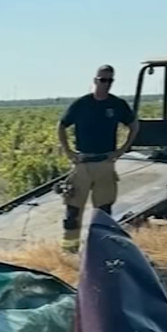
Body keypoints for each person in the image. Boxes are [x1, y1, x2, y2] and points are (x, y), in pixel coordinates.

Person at [56, 64, 140, 251]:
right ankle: (69, 251)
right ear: (95, 81)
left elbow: (134, 126)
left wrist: (122, 150)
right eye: (102, 80)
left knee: (104, 213)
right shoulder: (81, 104)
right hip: (82, 165)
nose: (106, 84)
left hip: (105, 164)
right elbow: (61, 126)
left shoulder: (117, 105)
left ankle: (102, 251)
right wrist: (69, 152)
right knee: (72, 212)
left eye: (110, 81)